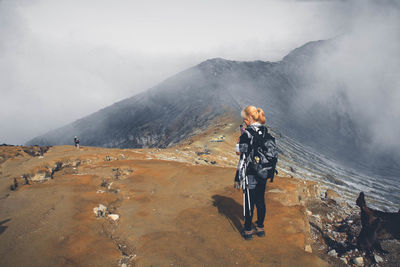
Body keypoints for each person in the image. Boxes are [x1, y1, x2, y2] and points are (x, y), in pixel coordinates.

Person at [234, 105, 268, 240]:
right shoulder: (265, 131)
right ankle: (260, 228)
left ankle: (248, 230)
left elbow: (239, 152)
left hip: (250, 172)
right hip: (264, 171)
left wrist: (239, 140)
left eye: (244, 119)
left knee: (249, 201)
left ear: (249, 118)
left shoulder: (246, 133)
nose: (244, 122)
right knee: (260, 200)